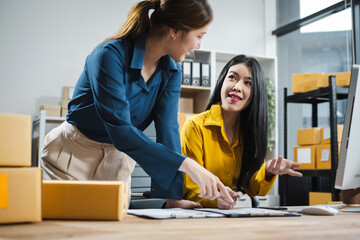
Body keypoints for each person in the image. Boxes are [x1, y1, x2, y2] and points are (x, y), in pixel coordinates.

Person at [40, 0, 234, 207]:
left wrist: (174, 199)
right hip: (73, 153)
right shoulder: (109, 55)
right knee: (65, 229)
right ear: (175, 30)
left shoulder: (173, 70)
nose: (198, 46)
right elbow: (121, 129)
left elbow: (168, 130)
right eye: (198, 37)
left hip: (118, 157)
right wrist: (190, 166)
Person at [180, 55, 303, 209]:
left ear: (255, 94)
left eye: (248, 83)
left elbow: (252, 189)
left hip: (230, 217)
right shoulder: (195, 126)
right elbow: (190, 188)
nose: (237, 87)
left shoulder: (249, 134)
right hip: (198, 216)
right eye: (232, 77)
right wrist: (216, 200)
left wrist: (268, 171)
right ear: (222, 82)